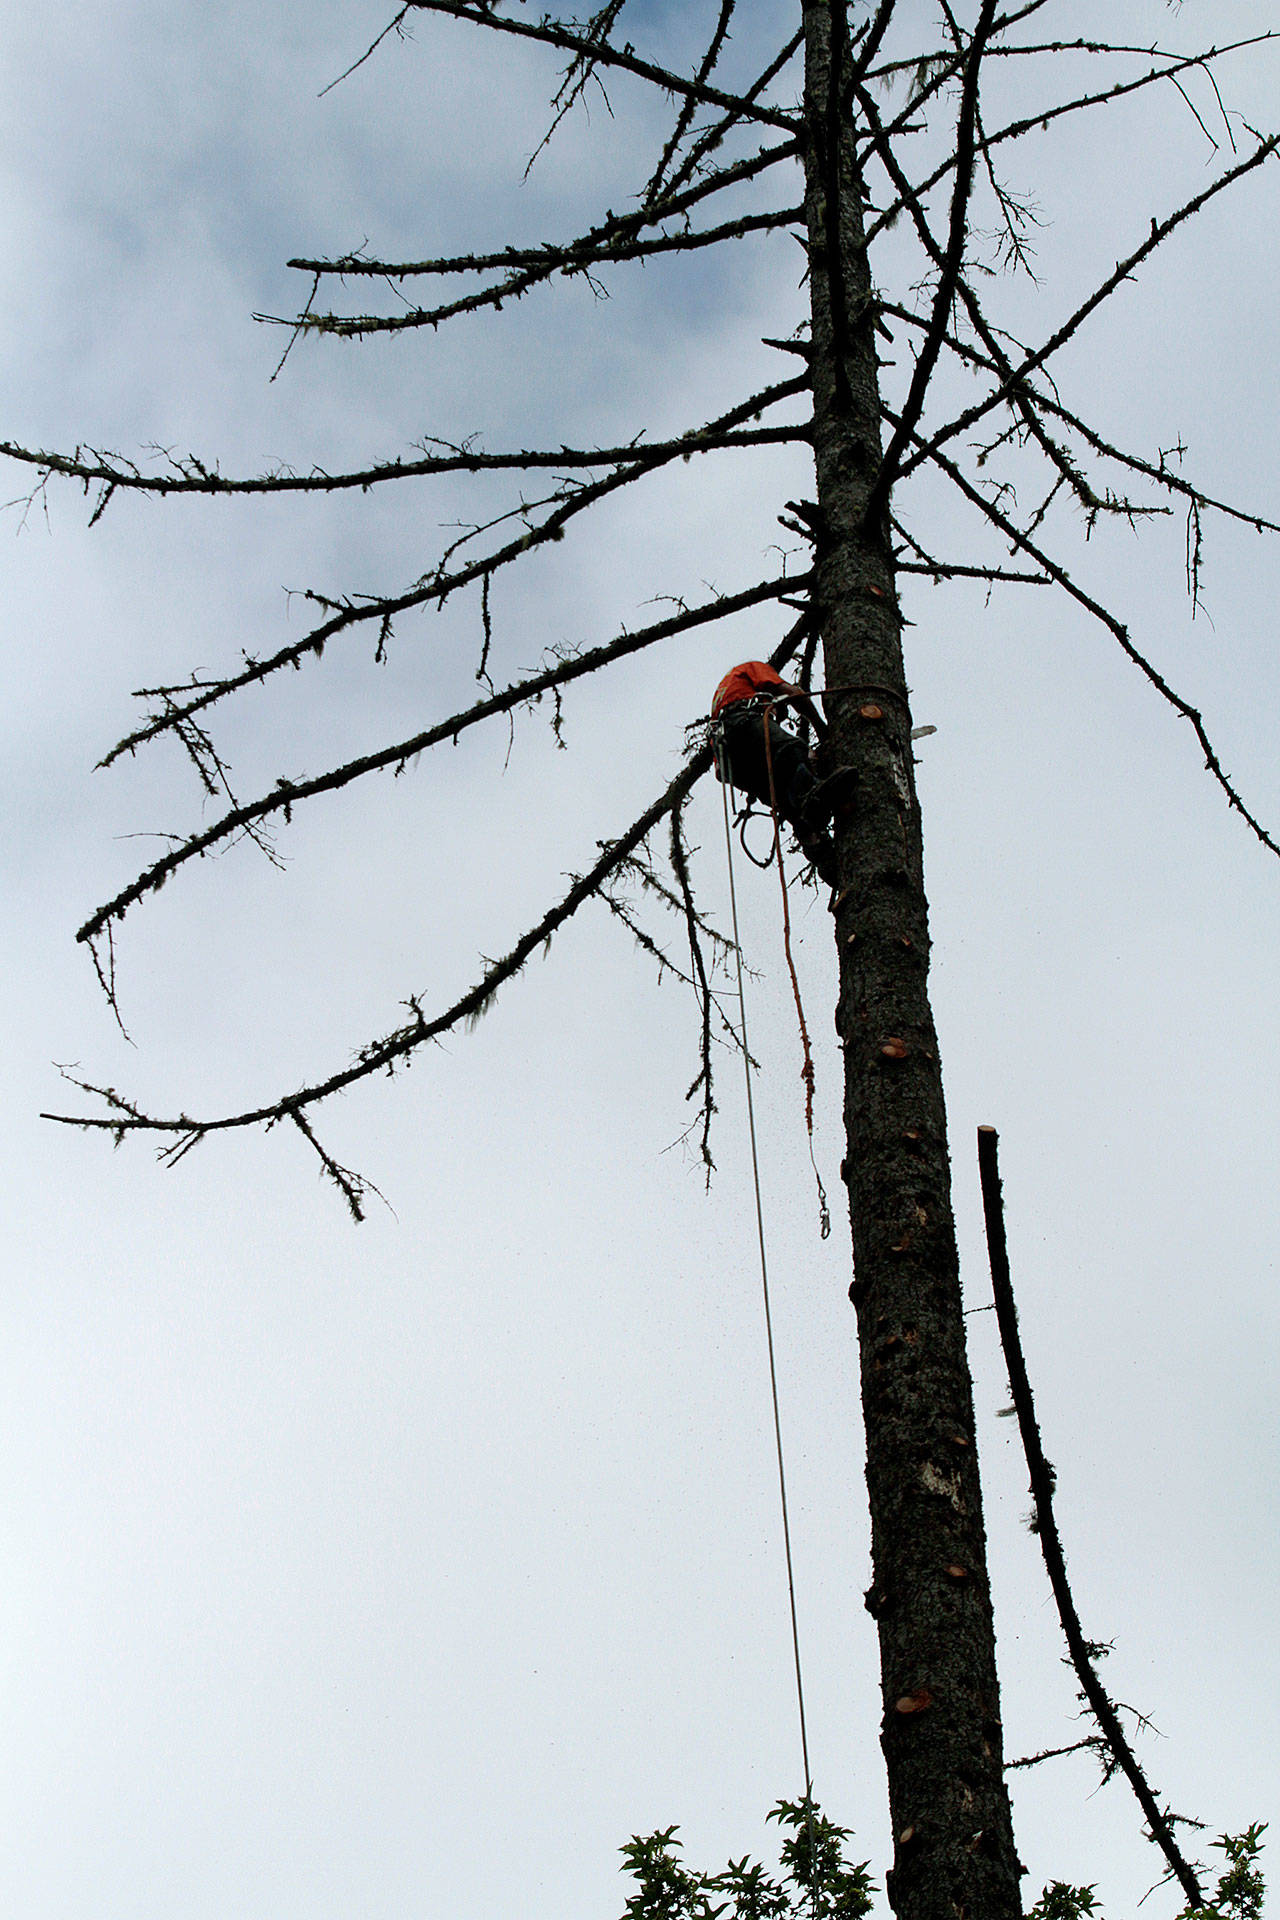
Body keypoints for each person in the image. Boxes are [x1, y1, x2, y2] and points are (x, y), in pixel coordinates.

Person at [710, 660, 847, 885]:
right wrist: (822, 730)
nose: (776, 717)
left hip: (731, 762)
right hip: (743, 725)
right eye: (777, 713)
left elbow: (720, 772)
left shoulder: (722, 701)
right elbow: (794, 694)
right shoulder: (750, 670)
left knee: (784, 796)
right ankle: (812, 798)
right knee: (791, 750)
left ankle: (818, 849)